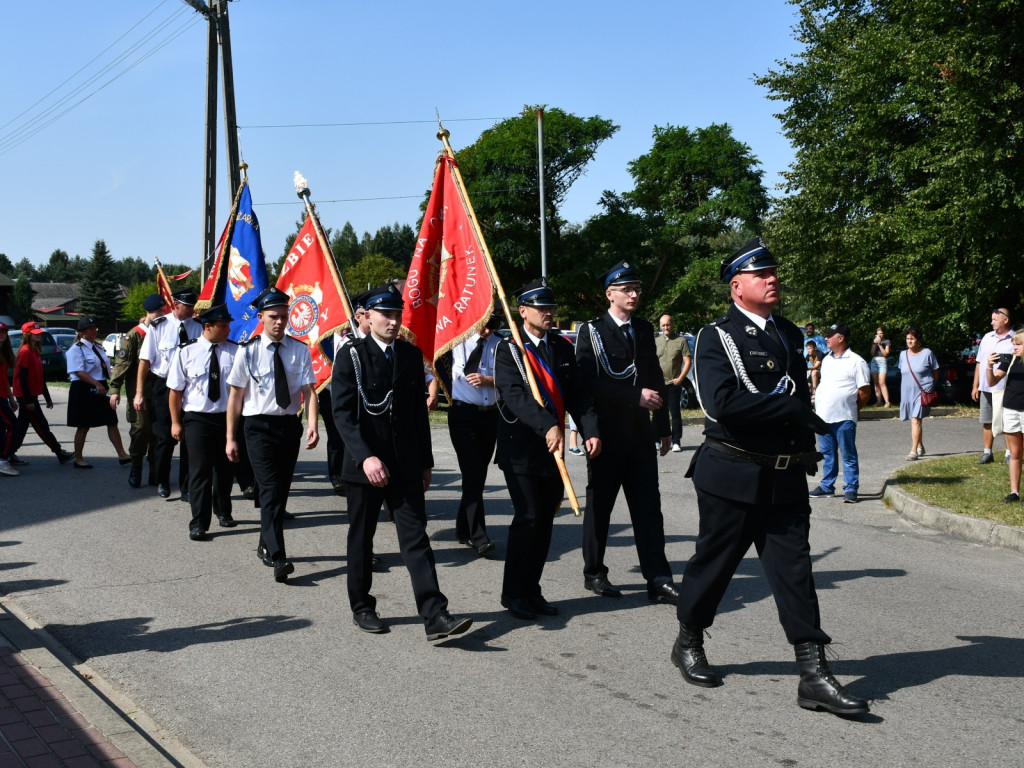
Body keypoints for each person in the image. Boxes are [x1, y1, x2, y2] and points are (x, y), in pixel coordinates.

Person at [671, 237, 868, 716]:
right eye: (761, 275)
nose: (772, 278)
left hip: (783, 478)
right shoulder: (717, 337)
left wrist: (803, 445)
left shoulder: (787, 333)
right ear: (737, 287)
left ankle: (813, 674)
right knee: (714, 567)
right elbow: (722, 405)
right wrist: (793, 410)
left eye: (773, 272)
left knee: (795, 573)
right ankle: (689, 639)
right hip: (732, 473)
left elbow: (794, 393)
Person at [332, 282, 472, 641]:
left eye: (397, 315)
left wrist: (425, 463)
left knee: (415, 538)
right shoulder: (351, 356)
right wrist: (366, 458)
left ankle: (435, 615)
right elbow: (343, 415)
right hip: (366, 466)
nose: (393, 321)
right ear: (368, 317)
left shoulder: (410, 356)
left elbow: (415, 416)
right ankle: (362, 606)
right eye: (385, 315)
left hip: (406, 463)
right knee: (362, 538)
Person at [494, 278, 601, 620]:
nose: (548, 313)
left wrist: (590, 430)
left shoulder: (562, 347)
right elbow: (516, 397)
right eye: (541, 308)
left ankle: (532, 589)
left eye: (551, 307)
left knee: (544, 524)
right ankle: (513, 593)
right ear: (522, 311)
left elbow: (579, 394)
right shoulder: (508, 349)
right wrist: (547, 425)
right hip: (522, 450)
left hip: (553, 454)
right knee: (527, 518)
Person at [575, 261, 679, 603]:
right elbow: (586, 384)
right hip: (606, 435)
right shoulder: (591, 331)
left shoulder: (644, 330)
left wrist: (663, 426)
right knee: (600, 507)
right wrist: (632, 397)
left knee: (649, 508)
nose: (634, 294)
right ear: (610, 294)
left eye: (636, 288)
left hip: (639, 436)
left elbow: (654, 378)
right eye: (626, 289)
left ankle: (659, 578)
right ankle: (594, 572)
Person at [225, 288, 320, 583]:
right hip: (257, 428)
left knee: (280, 491)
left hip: (288, 427)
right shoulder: (248, 351)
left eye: (283, 316)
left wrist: (313, 424)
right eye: (273, 317)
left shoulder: (299, 349)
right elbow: (235, 398)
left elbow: (309, 391)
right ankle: (278, 556)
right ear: (261, 317)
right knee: (268, 489)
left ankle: (265, 543)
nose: (279, 322)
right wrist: (230, 437)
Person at [167, 304, 238, 540]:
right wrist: (176, 422)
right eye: (223, 325)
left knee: (225, 469)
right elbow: (175, 391)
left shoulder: (236, 352)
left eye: (228, 325)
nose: (228, 329)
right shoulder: (186, 352)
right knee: (200, 471)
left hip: (227, 418)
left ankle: (223, 510)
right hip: (198, 419)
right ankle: (198, 521)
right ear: (208, 326)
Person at [137, 290, 202, 499]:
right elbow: (145, 361)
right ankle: (162, 480)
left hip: (189, 386)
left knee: (189, 438)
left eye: (193, 307)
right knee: (164, 437)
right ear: (176, 305)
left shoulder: (198, 327)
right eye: (187, 306)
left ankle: (186, 485)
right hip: (163, 386)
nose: (191, 310)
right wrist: (139, 392)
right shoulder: (159, 326)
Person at [448, 313, 502, 556]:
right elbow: (458, 373)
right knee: (473, 472)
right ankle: (478, 535)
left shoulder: (501, 344)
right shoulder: (456, 342)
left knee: (477, 474)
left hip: (490, 415)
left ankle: (462, 527)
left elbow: (514, 377)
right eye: (484, 325)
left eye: (493, 325)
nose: (487, 331)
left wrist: (490, 380)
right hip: (464, 415)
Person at [809, 323, 871, 503]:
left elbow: (865, 391)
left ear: (841, 338)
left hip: (844, 417)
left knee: (848, 454)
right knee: (828, 454)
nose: (826, 339)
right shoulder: (827, 359)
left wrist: (855, 408)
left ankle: (851, 488)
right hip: (824, 416)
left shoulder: (856, 361)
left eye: (830, 336)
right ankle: (827, 486)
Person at [109, 294, 165, 487]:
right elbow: (122, 363)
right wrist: (115, 388)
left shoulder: (164, 331)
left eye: (163, 310)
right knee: (140, 430)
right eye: (158, 311)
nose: (162, 314)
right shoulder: (134, 335)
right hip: (138, 391)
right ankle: (136, 467)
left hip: (159, 391)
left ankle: (155, 470)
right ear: (149, 312)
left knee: (157, 433)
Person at [65, 316, 131, 469]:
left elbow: (106, 367)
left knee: (111, 421)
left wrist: (112, 383)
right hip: (83, 388)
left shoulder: (98, 347)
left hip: (100, 386)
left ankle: (122, 454)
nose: (93, 330)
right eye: (89, 328)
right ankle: (79, 459)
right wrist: (96, 384)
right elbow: (78, 371)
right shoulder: (76, 349)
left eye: (94, 327)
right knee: (83, 425)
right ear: (82, 332)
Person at [8, 322, 74, 467]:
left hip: (31, 396)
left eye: (39, 333)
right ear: (27, 335)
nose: (39, 335)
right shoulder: (25, 352)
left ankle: (8, 453)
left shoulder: (35, 352)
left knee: (21, 428)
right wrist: (29, 401)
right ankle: (59, 452)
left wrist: (47, 397)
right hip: (27, 397)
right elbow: (23, 379)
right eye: (35, 333)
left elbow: (40, 378)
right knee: (41, 426)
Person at [986, 329, 1024, 503]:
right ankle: (1014, 492)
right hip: (1010, 410)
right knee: (1015, 453)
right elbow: (993, 381)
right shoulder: (1009, 360)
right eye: (1014, 343)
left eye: (1019, 344)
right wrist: (988, 366)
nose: (1014, 347)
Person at [973, 308, 1013, 464]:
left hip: (1005, 387)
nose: (992, 322)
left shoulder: (1014, 339)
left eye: (995, 319)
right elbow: (979, 363)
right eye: (991, 319)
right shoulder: (987, 337)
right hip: (985, 387)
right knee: (987, 420)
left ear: (1005, 320)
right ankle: (987, 453)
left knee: (1007, 422)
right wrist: (975, 385)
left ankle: (1009, 454)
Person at [899, 327, 939, 461]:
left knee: (916, 419)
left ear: (918, 340)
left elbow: (936, 370)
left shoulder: (927, 353)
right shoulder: (902, 355)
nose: (909, 341)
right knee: (915, 420)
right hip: (907, 391)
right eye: (907, 339)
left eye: (912, 338)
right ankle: (920, 445)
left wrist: (931, 385)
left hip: (923, 391)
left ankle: (913, 450)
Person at [656, 313, 691, 452]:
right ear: (660, 326)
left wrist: (680, 378)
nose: (666, 327)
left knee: (675, 413)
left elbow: (687, 361)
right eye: (663, 325)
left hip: (673, 384)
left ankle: (676, 441)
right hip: (658, 383)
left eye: (668, 324)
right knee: (658, 413)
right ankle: (656, 440)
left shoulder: (681, 341)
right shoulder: (656, 341)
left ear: (673, 324)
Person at [0, 322, 19, 476]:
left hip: (3, 397)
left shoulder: (4, 353)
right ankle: (3, 460)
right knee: (14, 426)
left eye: (4, 332)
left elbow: (4, 380)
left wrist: (11, 398)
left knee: (2, 430)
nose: (1, 334)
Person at [869, 326, 892, 407]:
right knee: (876, 383)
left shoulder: (887, 341)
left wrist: (880, 345)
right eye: (878, 333)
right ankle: (879, 401)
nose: (879, 335)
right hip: (874, 362)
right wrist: (875, 344)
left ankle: (887, 402)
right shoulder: (874, 341)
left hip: (882, 361)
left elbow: (886, 353)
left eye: (881, 333)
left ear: (884, 333)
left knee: (882, 382)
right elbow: (872, 353)